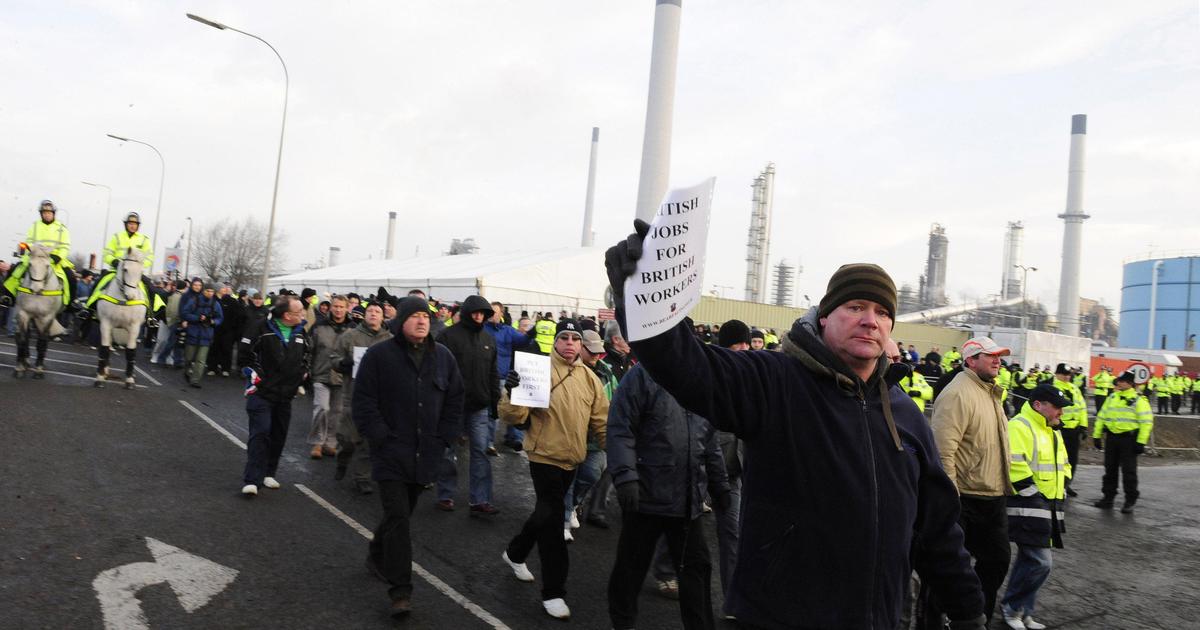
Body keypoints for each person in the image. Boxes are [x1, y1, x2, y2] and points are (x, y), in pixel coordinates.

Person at [606, 228, 985, 630]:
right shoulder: (775, 382)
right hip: (779, 617)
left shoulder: (905, 414)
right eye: (856, 307)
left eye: (882, 312)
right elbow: (689, 367)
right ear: (824, 317)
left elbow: (937, 526)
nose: (871, 321)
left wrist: (967, 610)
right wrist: (643, 293)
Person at [352, 296, 464, 618]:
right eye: (414, 316)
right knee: (399, 517)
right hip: (390, 451)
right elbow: (363, 401)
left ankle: (376, 552)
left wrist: (444, 436)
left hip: (426, 453)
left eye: (426, 316)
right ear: (400, 321)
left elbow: (455, 400)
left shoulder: (443, 357)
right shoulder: (379, 356)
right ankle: (400, 590)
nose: (422, 321)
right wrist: (379, 435)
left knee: (399, 514)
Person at [606, 357, 728, 630]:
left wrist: (719, 484)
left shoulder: (700, 378)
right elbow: (620, 426)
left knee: (696, 573)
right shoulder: (641, 376)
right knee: (630, 570)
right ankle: (622, 623)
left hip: (687, 502)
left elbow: (709, 440)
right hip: (645, 498)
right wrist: (625, 477)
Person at [499, 320, 609, 620]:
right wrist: (510, 392)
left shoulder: (590, 379)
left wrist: (619, 454)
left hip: (572, 459)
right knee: (552, 521)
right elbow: (513, 415)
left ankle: (516, 552)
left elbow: (601, 421)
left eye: (575, 338)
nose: (570, 343)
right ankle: (554, 592)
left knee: (544, 512)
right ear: (555, 342)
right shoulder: (537, 370)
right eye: (564, 338)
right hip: (543, 456)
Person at [927, 336, 1013, 627]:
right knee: (951, 567)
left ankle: (976, 613)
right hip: (965, 498)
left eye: (999, 356)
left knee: (998, 561)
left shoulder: (991, 392)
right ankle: (937, 613)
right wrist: (950, 500)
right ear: (971, 360)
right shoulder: (958, 394)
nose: (997, 360)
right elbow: (943, 451)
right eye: (990, 356)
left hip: (993, 497)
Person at [999, 384, 1072, 630]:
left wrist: (1062, 485)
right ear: (1038, 405)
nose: (1061, 412)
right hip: (1029, 505)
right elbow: (1014, 463)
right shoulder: (1020, 425)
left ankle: (1022, 611)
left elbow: (1063, 462)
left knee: (1029, 560)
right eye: (1057, 407)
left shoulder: (1051, 430)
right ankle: (1012, 609)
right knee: (1041, 562)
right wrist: (1034, 494)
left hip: (1047, 505)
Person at [435, 295, 502, 515]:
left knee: (480, 452)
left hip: (480, 406)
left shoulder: (488, 340)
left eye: (483, 313)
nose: (479, 316)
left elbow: (493, 373)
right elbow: (438, 371)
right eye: (475, 312)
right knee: (448, 451)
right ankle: (445, 494)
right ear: (466, 313)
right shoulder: (447, 336)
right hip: (452, 406)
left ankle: (480, 499)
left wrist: (494, 402)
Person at [238, 295, 310, 495]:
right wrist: (253, 373)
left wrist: (302, 375)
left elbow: (306, 356)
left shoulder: (300, 332)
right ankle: (252, 479)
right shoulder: (260, 328)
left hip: (285, 395)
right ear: (287, 315)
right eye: (299, 312)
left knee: (278, 435)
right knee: (260, 432)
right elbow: (245, 355)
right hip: (261, 393)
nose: (303, 315)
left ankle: (269, 472)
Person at [332, 302, 393, 493]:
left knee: (369, 440)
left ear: (383, 317)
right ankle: (343, 459)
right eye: (370, 311)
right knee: (348, 438)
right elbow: (333, 359)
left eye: (377, 312)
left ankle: (362, 478)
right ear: (364, 315)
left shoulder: (390, 340)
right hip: (353, 393)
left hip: (378, 397)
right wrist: (343, 363)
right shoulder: (350, 336)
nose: (373, 314)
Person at [562, 328, 617, 542]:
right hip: (571, 433)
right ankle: (564, 520)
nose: (596, 355)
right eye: (591, 351)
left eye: (598, 351)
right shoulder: (569, 369)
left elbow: (614, 396)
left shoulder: (605, 371)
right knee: (569, 478)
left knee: (591, 474)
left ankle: (574, 504)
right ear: (580, 347)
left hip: (595, 437)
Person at [1092, 370, 1154, 513]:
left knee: (1129, 472)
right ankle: (1108, 498)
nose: (1118, 383)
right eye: (1118, 381)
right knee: (1110, 469)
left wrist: (1140, 442)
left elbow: (1146, 422)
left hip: (1129, 440)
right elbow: (1101, 417)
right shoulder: (1112, 397)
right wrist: (1096, 436)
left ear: (1130, 383)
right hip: (1112, 439)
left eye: (1121, 381)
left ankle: (1130, 500)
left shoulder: (1139, 400)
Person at [3, 200, 75, 306]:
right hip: (35, 256)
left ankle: (71, 303)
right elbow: (29, 241)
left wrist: (58, 257)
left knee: (71, 277)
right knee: (15, 270)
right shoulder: (35, 226)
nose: (47, 215)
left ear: (53, 214)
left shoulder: (62, 228)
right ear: (41, 214)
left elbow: (65, 246)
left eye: (49, 213)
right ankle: (8, 296)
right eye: (44, 213)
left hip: (54, 259)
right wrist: (33, 251)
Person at [307, 295, 353, 460]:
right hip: (321, 373)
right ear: (330, 308)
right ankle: (317, 442)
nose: (338, 310)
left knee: (337, 412)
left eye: (341, 307)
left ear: (347, 308)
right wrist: (306, 369)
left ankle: (330, 443)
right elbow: (309, 348)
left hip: (342, 377)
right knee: (322, 407)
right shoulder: (319, 326)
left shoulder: (352, 329)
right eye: (335, 306)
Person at [484, 300, 535, 452]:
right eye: (490, 311)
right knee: (492, 410)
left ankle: (514, 439)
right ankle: (488, 443)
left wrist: (533, 331)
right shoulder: (482, 330)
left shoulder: (507, 330)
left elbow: (522, 341)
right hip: (487, 376)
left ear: (501, 314)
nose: (492, 314)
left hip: (504, 376)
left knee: (512, 406)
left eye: (495, 311)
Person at [88, 212, 153, 314]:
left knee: (150, 288)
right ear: (126, 224)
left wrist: (138, 267)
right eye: (130, 223)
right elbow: (107, 253)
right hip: (116, 270)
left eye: (135, 224)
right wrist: (113, 261)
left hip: (135, 273)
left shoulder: (144, 240)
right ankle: (89, 309)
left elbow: (149, 257)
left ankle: (151, 315)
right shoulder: (117, 237)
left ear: (138, 226)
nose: (132, 226)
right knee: (99, 283)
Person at [1051, 363, 1087, 497]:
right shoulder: (1052, 388)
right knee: (1056, 458)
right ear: (1057, 374)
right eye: (1064, 374)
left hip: (1074, 430)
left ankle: (1067, 483)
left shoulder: (1074, 389)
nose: (1066, 377)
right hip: (1059, 429)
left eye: (1068, 375)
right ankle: (1057, 484)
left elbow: (1082, 408)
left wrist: (1083, 426)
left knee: (1072, 459)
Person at [179, 283, 223, 388]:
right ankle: (187, 370)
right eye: (208, 291)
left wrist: (212, 321)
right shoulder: (194, 300)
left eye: (212, 291)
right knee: (189, 358)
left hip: (206, 335)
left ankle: (195, 380)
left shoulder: (215, 304)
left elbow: (220, 318)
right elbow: (185, 313)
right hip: (193, 333)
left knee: (201, 360)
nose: (210, 293)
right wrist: (197, 318)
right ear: (203, 291)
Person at [206, 284, 243, 377]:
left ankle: (225, 368)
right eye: (223, 288)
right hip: (215, 328)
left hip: (228, 330)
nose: (225, 289)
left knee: (227, 349)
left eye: (226, 288)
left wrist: (233, 328)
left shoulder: (232, 301)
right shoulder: (213, 300)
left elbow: (237, 316)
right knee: (214, 348)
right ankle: (212, 367)